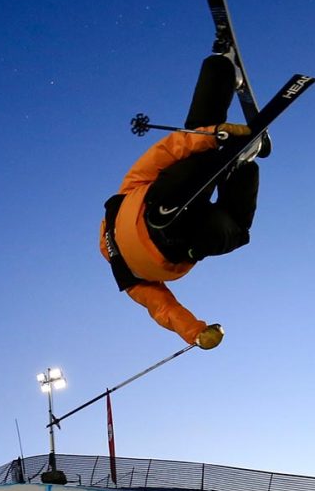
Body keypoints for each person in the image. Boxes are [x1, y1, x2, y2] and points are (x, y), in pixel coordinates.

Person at [99, 53, 262, 349]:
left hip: (183, 242)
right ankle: (222, 73)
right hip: (163, 201)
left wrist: (196, 332)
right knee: (194, 146)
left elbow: (161, 308)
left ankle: (241, 163)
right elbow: (166, 151)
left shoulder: (126, 276)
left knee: (235, 231)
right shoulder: (122, 198)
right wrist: (213, 135)